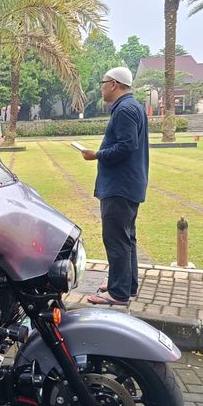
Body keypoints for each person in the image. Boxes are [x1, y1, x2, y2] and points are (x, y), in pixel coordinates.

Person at [80, 66, 149, 307]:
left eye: (103, 82)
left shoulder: (125, 110)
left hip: (120, 185)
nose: (101, 87)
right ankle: (125, 284)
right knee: (126, 237)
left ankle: (118, 293)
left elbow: (126, 146)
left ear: (113, 84)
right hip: (129, 184)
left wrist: (97, 154)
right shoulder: (132, 106)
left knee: (116, 238)